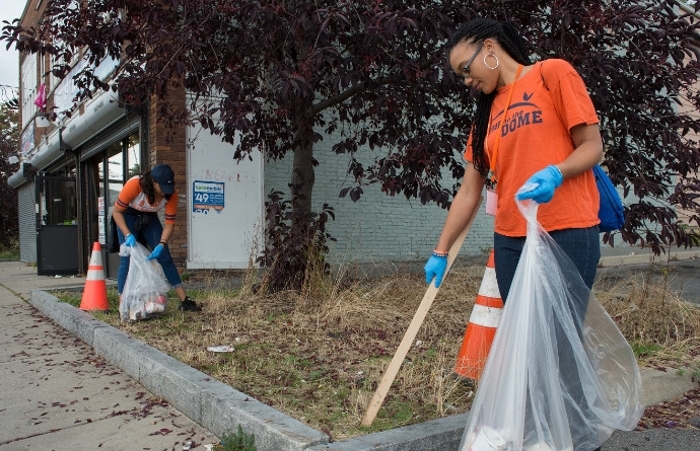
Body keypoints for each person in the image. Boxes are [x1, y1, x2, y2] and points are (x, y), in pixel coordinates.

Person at [424, 18, 604, 451]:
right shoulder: (485, 117)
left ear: (490, 48)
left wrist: (556, 172)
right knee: (523, 342)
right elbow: (469, 192)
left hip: (567, 230)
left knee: (558, 342)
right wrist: (441, 249)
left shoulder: (551, 73)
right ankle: (534, 432)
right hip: (511, 237)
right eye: (460, 77)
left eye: (467, 69)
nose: (467, 81)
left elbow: (592, 146)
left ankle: (575, 438)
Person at [112, 164, 202, 312]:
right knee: (127, 256)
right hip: (127, 215)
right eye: (162, 189)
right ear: (153, 182)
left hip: (149, 218)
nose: (164, 194)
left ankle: (185, 301)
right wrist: (127, 234)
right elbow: (116, 212)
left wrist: (161, 243)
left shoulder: (171, 194)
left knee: (165, 257)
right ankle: (123, 303)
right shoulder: (135, 185)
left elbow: (169, 224)